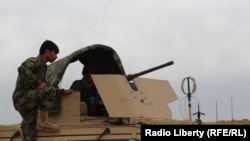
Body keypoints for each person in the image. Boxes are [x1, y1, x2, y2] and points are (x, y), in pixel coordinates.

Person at [12, 40, 73, 141]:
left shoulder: (43, 68)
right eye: (55, 53)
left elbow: (46, 86)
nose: (56, 56)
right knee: (49, 90)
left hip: (28, 99)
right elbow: (22, 69)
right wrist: (38, 83)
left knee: (29, 128)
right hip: (22, 97)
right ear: (47, 51)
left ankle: (37, 124)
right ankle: (43, 121)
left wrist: (62, 92)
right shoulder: (34, 61)